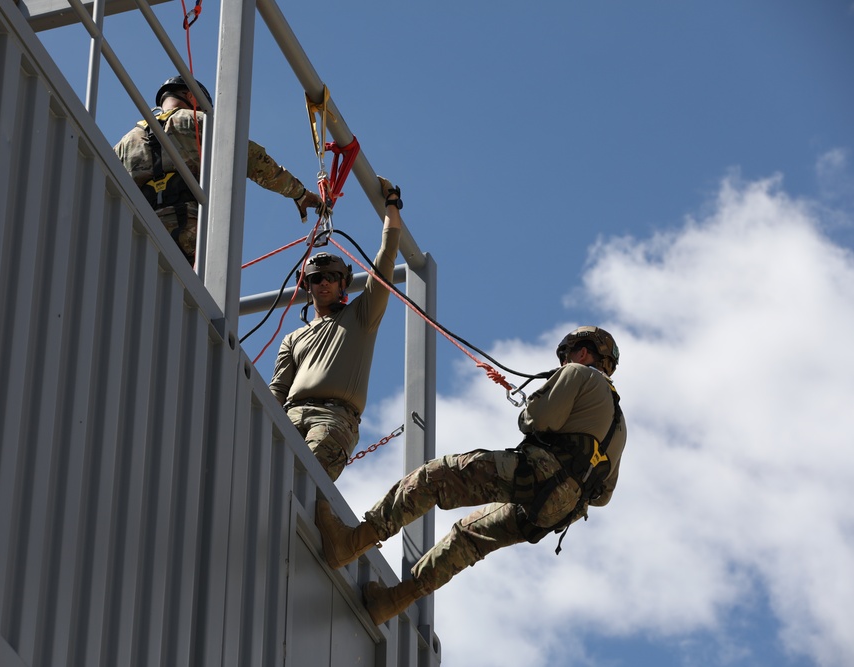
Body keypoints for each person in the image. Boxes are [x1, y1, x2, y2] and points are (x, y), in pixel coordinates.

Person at [316, 326, 627, 624]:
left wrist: (533, 409)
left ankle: (352, 542)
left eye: (566, 355)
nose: (562, 363)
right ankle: (390, 602)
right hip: (560, 509)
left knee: (434, 478)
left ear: (583, 353)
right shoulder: (619, 424)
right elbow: (604, 496)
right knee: (470, 538)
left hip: (538, 475)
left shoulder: (577, 373)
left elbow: (536, 420)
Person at [268, 177, 404, 481]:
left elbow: (386, 258)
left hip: (333, 418)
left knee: (304, 479)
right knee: (265, 476)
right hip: (290, 415)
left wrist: (392, 203)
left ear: (344, 283)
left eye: (331, 276)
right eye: (317, 278)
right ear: (308, 287)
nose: (324, 282)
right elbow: (277, 390)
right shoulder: (294, 338)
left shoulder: (361, 315)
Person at [114, 76, 323, 265]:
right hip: (189, 233)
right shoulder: (197, 122)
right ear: (190, 96)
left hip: (137, 235)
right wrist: (299, 193)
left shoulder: (124, 144)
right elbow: (253, 159)